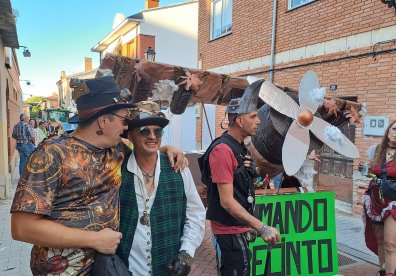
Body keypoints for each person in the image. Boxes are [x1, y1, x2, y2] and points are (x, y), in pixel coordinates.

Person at [10, 74, 186, 275]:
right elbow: (22, 228)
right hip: (62, 270)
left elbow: (142, 148)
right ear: (103, 121)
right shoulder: (51, 155)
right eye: (124, 119)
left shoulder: (116, 149)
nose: (126, 126)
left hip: (107, 266)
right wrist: (95, 240)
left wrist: (168, 149)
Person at [199, 80, 280, 275]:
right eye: (253, 116)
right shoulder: (223, 150)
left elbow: (239, 188)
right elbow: (226, 202)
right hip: (228, 232)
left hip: (238, 228)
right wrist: (262, 227)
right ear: (239, 121)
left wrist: (251, 173)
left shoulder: (240, 146)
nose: (259, 121)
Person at [116, 101, 205, 276]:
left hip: (169, 269)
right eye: (144, 131)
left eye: (157, 131)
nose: (152, 136)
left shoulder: (178, 168)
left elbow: (195, 214)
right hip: (127, 269)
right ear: (131, 136)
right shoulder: (117, 170)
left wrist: (186, 253)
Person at [362, 119, 396, 276]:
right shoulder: (375, 150)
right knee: (380, 241)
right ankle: (383, 272)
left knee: (391, 244)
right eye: (395, 128)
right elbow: (372, 169)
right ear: (388, 130)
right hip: (376, 197)